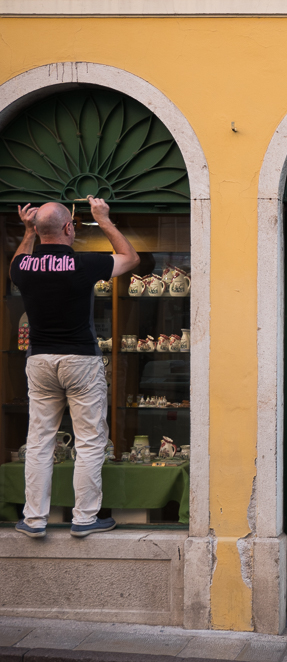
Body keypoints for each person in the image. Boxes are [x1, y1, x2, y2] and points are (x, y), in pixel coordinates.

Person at [11, 196, 140, 538]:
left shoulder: (23, 267)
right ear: (69, 228)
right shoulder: (83, 263)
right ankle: (84, 518)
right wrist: (104, 219)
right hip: (80, 358)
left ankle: (34, 520)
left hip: (39, 359)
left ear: (37, 230)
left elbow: (18, 261)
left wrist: (28, 231)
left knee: (39, 440)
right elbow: (131, 258)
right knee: (89, 440)